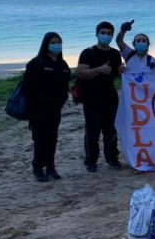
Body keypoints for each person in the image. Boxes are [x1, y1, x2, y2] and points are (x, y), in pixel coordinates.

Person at [23, 32, 71, 182]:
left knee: (52, 138)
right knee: (40, 139)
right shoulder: (36, 63)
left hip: (55, 108)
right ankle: (38, 167)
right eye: (53, 42)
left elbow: (65, 84)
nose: (56, 45)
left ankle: (51, 166)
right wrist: (40, 101)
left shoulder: (62, 64)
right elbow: (27, 87)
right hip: (38, 109)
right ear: (46, 44)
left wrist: (62, 100)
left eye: (58, 42)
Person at [77, 21, 123, 172]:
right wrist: (99, 70)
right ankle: (91, 160)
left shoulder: (115, 54)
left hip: (110, 97)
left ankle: (112, 158)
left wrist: (122, 70)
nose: (106, 36)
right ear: (97, 34)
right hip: (91, 98)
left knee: (110, 130)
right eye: (103, 33)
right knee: (92, 131)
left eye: (109, 33)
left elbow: (117, 73)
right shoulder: (88, 52)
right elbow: (81, 73)